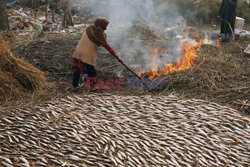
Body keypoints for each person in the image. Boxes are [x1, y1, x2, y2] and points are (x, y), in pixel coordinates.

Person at [72, 18, 121, 90]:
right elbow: (107, 46)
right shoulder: (99, 34)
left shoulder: (90, 28)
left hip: (78, 50)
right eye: (104, 26)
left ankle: (74, 85)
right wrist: (117, 57)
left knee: (77, 69)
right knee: (91, 71)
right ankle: (92, 87)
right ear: (100, 25)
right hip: (87, 53)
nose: (105, 28)